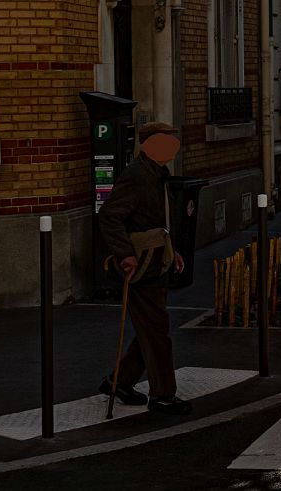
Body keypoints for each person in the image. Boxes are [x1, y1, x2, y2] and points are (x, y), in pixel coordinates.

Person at [96, 121, 192, 415]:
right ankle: (163, 395)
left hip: (155, 261)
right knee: (157, 331)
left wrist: (171, 250)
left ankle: (120, 382)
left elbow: (161, 219)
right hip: (140, 266)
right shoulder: (137, 175)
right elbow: (110, 216)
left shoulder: (158, 174)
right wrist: (125, 255)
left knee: (152, 328)